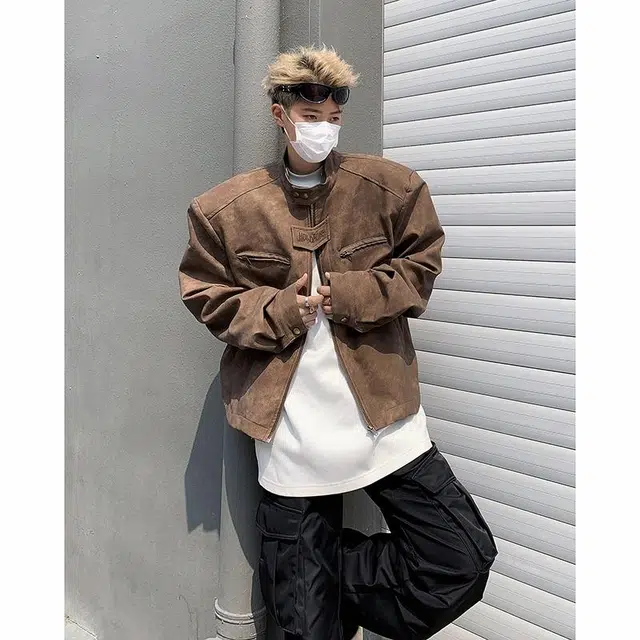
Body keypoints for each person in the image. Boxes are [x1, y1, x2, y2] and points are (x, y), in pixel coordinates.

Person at [178, 45, 497, 640]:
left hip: (383, 417)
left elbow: (420, 269)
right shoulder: (226, 209)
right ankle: (308, 584)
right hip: (290, 433)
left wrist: (347, 294)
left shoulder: (390, 189)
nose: (323, 127)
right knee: (307, 628)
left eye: (333, 117)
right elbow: (207, 295)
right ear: (281, 115)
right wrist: (280, 309)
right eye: (311, 116)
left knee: (460, 559)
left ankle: (323, 577)